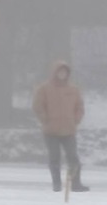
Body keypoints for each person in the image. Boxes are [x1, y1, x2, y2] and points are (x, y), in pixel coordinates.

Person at [32, 61, 87, 192]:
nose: (62, 74)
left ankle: (75, 183)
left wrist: (76, 120)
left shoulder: (73, 90)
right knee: (54, 157)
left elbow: (79, 107)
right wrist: (45, 119)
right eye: (60, 72)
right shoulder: (44, 89)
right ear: (55, 73)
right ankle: (56, 183)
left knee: (73, 157)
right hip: (51, 130)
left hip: (69, 130)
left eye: (65, 72)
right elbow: (37, 106)